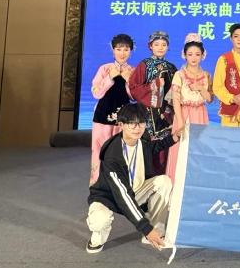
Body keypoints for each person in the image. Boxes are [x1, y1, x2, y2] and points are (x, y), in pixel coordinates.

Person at [86, 102, 183, 254]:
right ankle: (98, 237)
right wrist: (146, 228)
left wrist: (174, 138)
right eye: (132, 123)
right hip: (109, 197)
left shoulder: (141, 140)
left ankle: (157, 230)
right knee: (100, 219)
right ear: (121, 125)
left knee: (164, 182)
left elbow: (152, 147)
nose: (137, 128)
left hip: (134, 191)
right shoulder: (112, 154)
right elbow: (122, 195)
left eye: (141, 123)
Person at [165, 33, 213, 184]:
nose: (194, 57)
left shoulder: (206, 75)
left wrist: (200, 88)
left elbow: (210, 99)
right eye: (190, 54)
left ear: (202, 55)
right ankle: (176, 184)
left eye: (197, 54)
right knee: (181, 147)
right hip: (183, 113)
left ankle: (197, 183)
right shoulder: (179, 75)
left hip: (200, 114)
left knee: (199, 149)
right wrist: (180, 122)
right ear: (184, 55)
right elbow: (176, 99)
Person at [129, 31, 178, 174]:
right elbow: (134, 89)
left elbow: (175, 91)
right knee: (149, 151)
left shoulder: (171, 67)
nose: (160, 47)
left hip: (166, 115)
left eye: (164, 44)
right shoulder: (144, 65)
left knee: (166, 150)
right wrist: (154, 84)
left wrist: (169, 110)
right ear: (150, 46)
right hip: (148, 115)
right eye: (156, 44)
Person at [89, 33, 135, 185]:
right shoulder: (105, 69)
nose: (122, 53)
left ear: (131, 51)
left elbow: (134, 96)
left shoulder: (133, 71)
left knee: (121, 151)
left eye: (126, 49)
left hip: (123, 118)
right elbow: (96, 93)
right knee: (99, 149)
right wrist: (110, 78)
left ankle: (119, 185)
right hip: (102, 115)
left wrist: (128, 81)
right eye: (118, 49)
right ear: (113, 50)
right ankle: (98, 185)